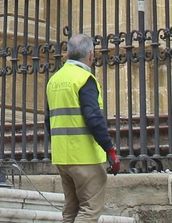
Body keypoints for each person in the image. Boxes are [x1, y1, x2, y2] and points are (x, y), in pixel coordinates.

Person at [47, 33, 120, 223]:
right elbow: (94, 119)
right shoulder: (85, 79)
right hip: (85, 157)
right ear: (90, 55)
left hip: (62, 157)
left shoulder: (54, 80)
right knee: (90, 210)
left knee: (70, 211)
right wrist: (110, 150)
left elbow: (48, 120)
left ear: (68, 53)